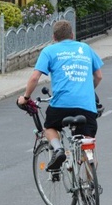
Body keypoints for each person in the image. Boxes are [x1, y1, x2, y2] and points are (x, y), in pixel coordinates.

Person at [17, 20, 103, 171]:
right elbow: (98, 76)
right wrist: (89, 91)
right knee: (87, 146)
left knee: (49, 126)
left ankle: (58, 150)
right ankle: (91, 188)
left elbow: (35, 78)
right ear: (72, 35)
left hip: (61, 105)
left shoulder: (49, 51)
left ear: (54, 37)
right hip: (87, 106)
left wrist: (25, 97)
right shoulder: (85, 48)